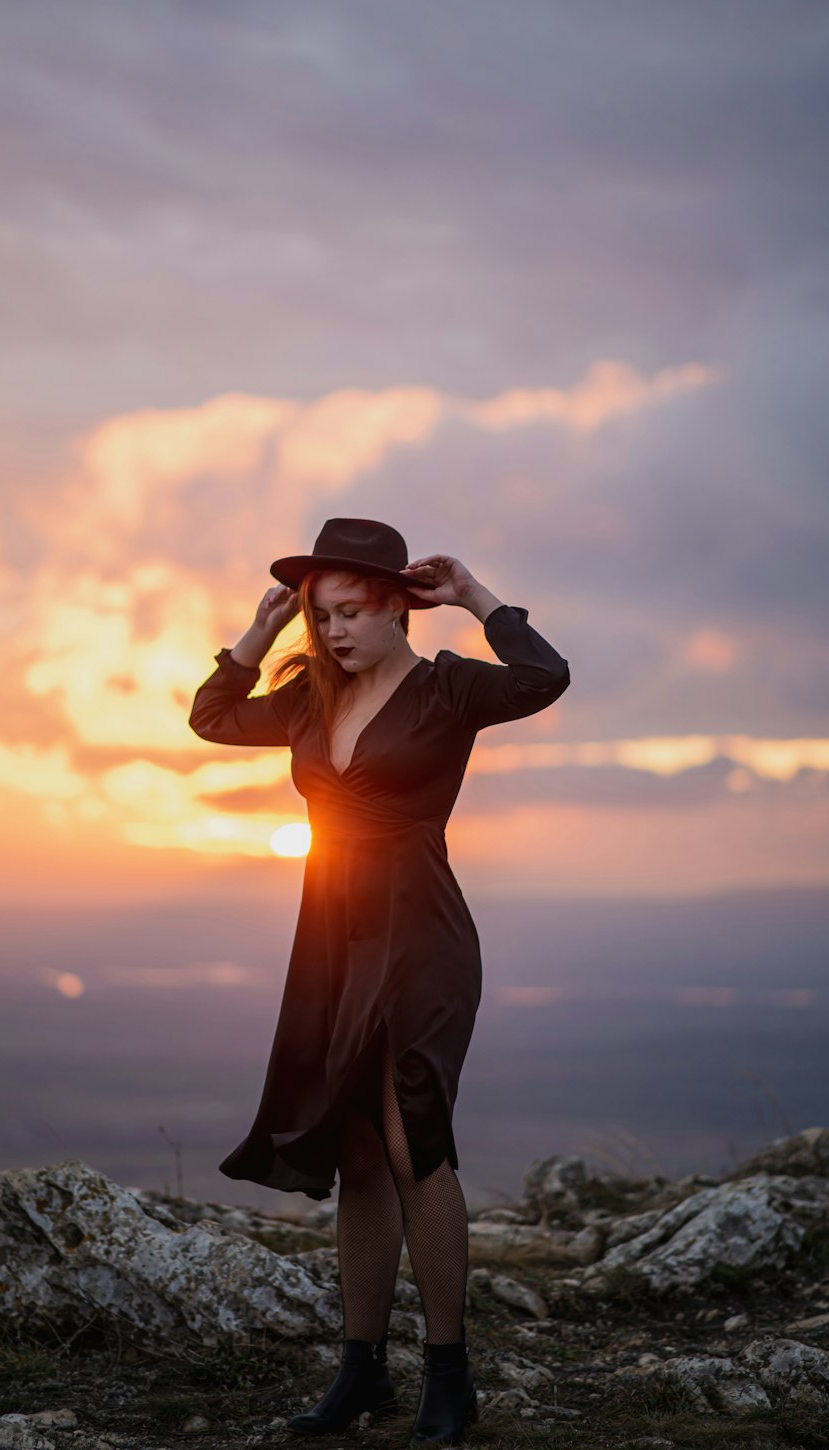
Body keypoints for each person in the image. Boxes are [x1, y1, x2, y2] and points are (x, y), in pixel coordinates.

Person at [188, 517, 571, 1445]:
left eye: (350, 612)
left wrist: (477, 596)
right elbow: (209, 717)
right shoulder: (310, 695)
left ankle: (452, 1377)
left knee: (413, 1146)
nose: (335, 632)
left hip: (421, 937)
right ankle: (360, 1377)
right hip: (332, 941)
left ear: (399, 604)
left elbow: (545, 677)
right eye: (323, 617)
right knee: (356, 1151)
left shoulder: (450, 689)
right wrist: (262, 630)